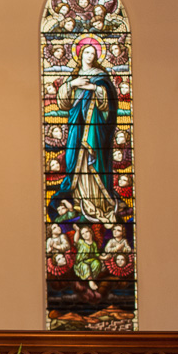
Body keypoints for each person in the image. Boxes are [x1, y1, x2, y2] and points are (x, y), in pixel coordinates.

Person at [49, 43, 120, 223]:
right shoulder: (74, 76)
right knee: (75, 161)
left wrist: (95, 89)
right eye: (86, 52)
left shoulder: (101, 78)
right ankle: (79, 199)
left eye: (93, 53)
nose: (89, 56)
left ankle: (97, 203)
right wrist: (74, 84)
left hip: (95, 128)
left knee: (92, 161)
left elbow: (110, 104)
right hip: (76, 126)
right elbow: (63, 104)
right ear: (80, 55)